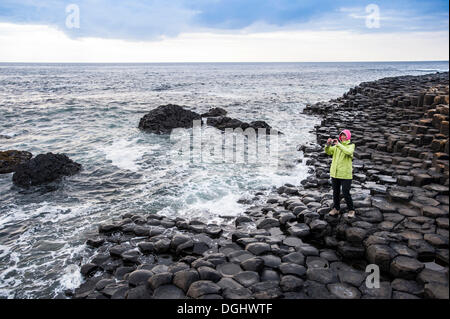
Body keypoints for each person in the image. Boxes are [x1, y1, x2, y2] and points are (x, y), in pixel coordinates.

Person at [324, 129, 356, 218]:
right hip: (335, 173)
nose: (343, 137)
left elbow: (348, 152)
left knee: (346, 192)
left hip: (346, 174)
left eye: (344, 135)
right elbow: (328, 151)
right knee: (336, 192)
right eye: (341, 135)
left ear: (348, 136)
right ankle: (336, 209)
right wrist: (328, 144)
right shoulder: (337, 147)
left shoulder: (351, 146)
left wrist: (338, 145)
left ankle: (351, 210)